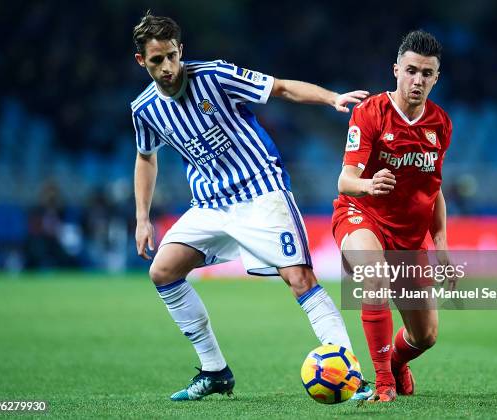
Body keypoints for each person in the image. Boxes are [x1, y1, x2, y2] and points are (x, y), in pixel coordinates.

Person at [130, 12, 369, 401]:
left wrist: (332, 98)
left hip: (261, 191)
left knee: (300, 279)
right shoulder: (144, 109)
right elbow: (145, 158)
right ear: (142, 61)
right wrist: (142, 218)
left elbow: (281, 89)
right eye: (157, 60)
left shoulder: (214, 75)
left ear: (181, 50)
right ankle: (215, 371)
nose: (168, 67)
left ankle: (351, 375)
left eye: (172, 56)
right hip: (210, 203)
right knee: (163, 271)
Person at [332, 30, 453, 402]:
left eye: (427, 74)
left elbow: (435, 189)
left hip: (410, 236)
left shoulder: (441, 125)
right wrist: (369, 185)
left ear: (436, 78)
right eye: (412, 70)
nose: (418, 80)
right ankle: (383, 383)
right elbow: (345, 181)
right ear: (396, 70)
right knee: (375, 273)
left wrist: (442, 242)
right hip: (361, 217)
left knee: (425, 336)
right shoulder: (369, 113)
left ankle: (398, 362)